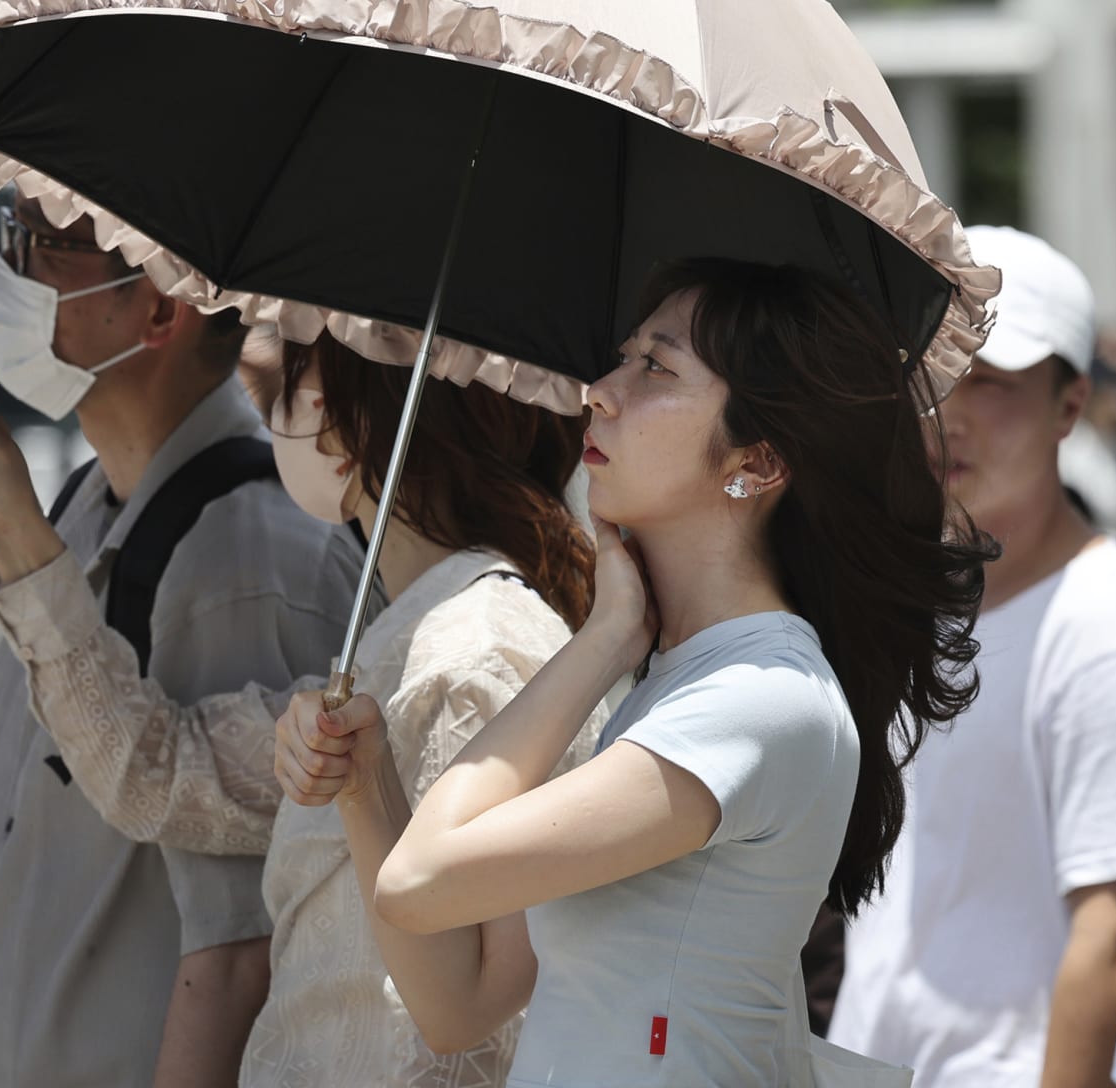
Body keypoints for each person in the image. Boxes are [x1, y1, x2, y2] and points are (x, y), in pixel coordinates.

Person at [275, 259, 998, 1086]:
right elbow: (458, 1003)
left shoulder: (758, 697)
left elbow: (419, 880)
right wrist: (364, 781)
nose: (602, 392)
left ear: (758, 463)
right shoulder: (687, 683)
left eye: (656, 367)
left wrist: (604, 640)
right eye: (624, 358)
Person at [0, 323, 604, 1087]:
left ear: (338, 423)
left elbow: (464, 1027)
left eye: (298, 380)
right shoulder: (410, 639)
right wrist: (18, 540)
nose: (277, 407)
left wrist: (22, 546)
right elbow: (162, 772)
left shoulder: (471, 653)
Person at [0, 197, 361, 1088]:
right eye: (11, 233)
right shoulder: (84, 502)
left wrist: (20, 548)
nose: (10, 272)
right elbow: (88, 860)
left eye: (45, 245)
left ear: (157, 309)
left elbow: (241, 948)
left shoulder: (242, 558)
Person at [828, 226, 1116, 1088]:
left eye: (992, 379)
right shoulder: (918, 600)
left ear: (1070, 406)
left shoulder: (1109, 623)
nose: (951, 409)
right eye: (933, 370)